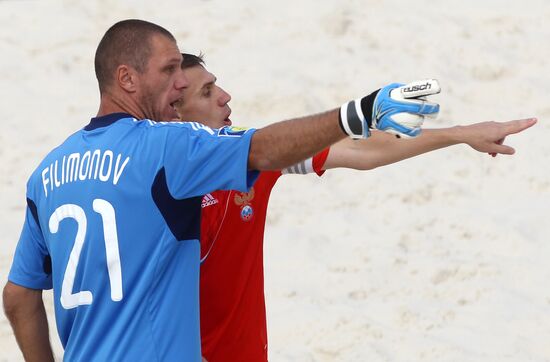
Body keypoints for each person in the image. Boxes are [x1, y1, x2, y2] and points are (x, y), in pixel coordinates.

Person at [2, 20, 442, 361]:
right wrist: (357, 112)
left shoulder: (48, 172)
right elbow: (264, 147)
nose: (180, 83)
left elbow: (19, 295)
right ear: (128, 79)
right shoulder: (166, 145)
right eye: (169, 70)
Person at [174, 53, 537, 362]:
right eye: (206, 92)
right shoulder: (150, 185)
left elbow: (362, 151)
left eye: (216, 84)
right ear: (173, 112)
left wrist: (458, 134)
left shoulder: (252, 152)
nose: (224, 96)